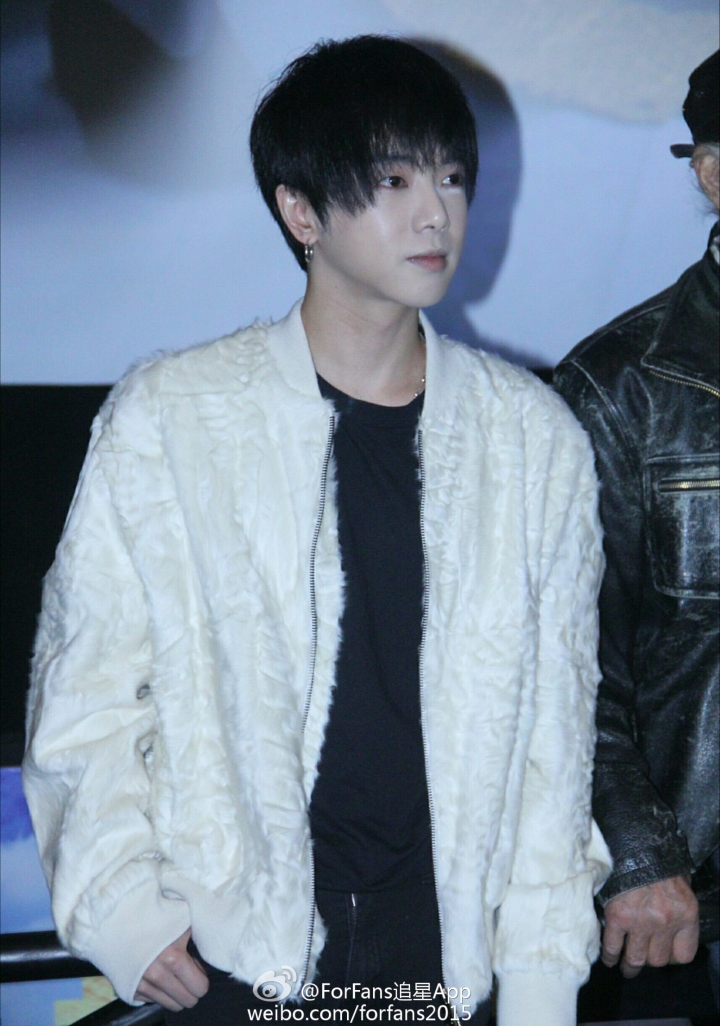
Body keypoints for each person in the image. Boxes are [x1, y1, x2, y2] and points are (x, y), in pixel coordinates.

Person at [23, 36, 609, 1026]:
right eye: (393, 180)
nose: (435, 212)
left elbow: (558, 741)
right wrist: (123, 909)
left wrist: (542, 981)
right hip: (239, 950)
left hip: (447, 955)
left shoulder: (529, 440)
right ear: (301, 211)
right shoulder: (175, 416)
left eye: (451, 177)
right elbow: (85, 689)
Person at [554, 49, 719, 1008]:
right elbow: (570, 660)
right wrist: (638, 854)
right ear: (711, 172)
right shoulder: (618, 387)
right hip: (694, 906)